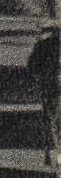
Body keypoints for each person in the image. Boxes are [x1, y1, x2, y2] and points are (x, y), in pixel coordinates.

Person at [28, 25, 59, 166]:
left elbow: (32, 66)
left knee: (52, 121)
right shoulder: (43, 46)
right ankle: (50, 153)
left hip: (49, 87)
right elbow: (32, 66)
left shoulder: (42, 45)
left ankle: (51, 153)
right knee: (52, 120)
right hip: (50, 87)